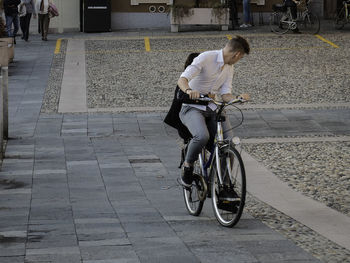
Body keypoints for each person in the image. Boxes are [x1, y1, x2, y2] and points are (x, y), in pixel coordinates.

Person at [177, 35, 250, 189]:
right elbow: (182, 79)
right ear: (237, 54)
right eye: (240, 57)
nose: (238, 60)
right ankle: (188, 165)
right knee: (202, 136)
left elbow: (225, 95)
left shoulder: (229, 67)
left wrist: (237, 98)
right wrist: (190, 90)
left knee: (229, 144)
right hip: (192, 107)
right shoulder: (206, 58)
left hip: (212, 107)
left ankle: (225, 184)